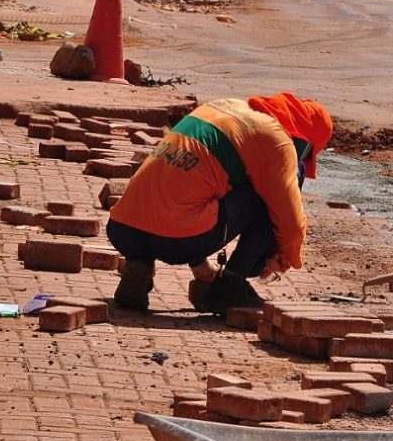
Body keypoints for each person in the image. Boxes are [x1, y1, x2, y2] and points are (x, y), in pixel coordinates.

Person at [107, 93, 333, 315]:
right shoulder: (277, 140)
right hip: (177, 240)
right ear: (303, 141)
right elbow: (291, 223)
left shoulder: (223, 107)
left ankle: (139, 263)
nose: (299, 157)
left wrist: (202, 270)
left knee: (208, 184)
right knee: (271, 197)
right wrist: (285, 256)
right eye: (304, 153)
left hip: (124, 229)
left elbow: (188, 189)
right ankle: (230, 285)